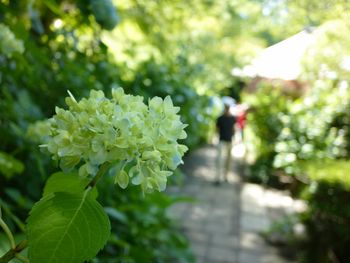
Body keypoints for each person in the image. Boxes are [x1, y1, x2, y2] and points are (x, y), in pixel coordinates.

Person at [215, 102, 236, 184]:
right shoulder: (220, 118)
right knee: (219, 159)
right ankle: (218, 177)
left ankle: (226, 176)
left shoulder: (233, 118)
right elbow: (216, 129)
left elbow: (234, 128)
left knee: (228, 160)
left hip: (229, 141)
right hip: (221, 140)